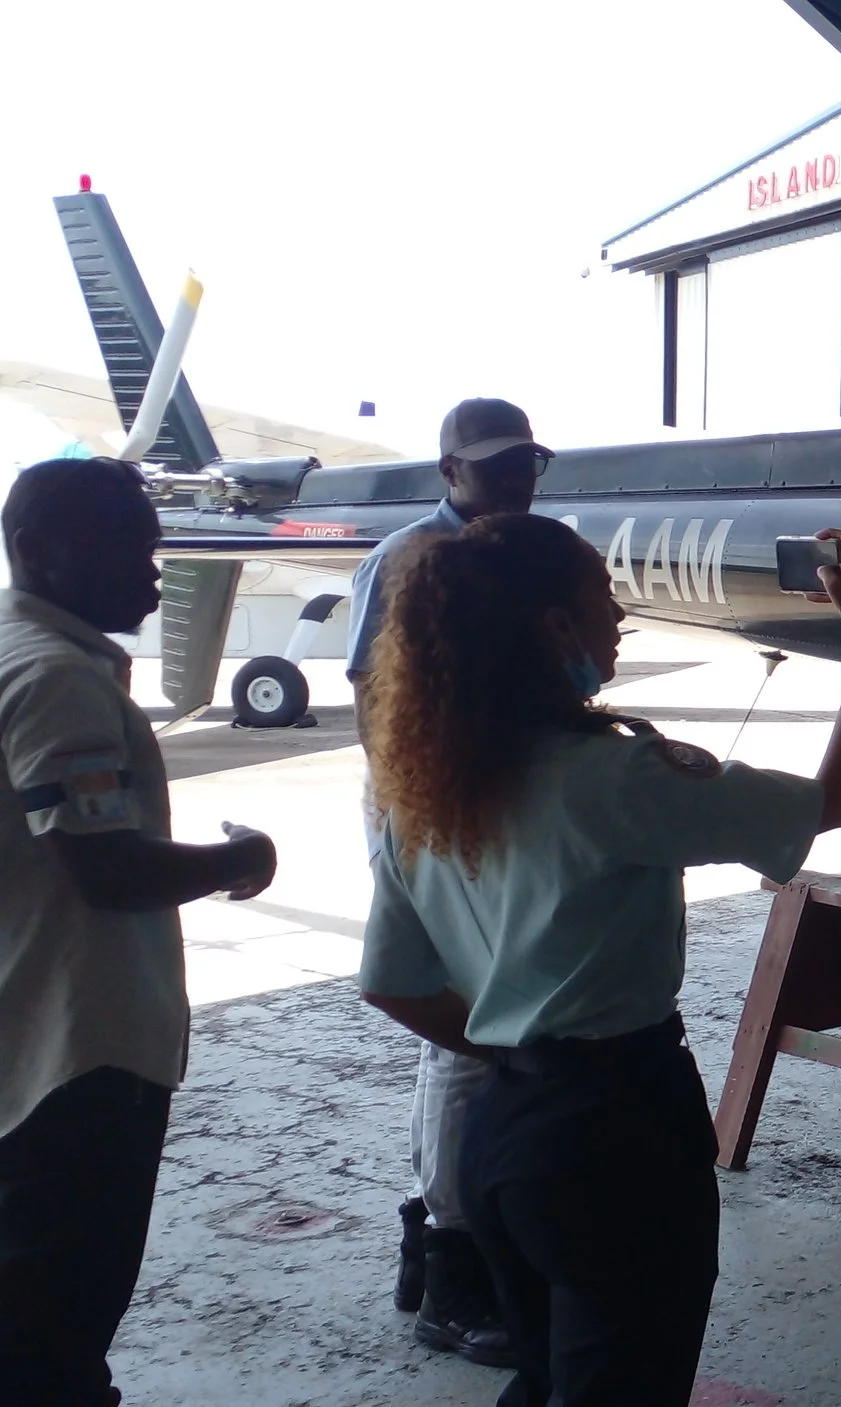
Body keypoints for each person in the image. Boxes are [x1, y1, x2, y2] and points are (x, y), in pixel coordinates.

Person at [354, 512, 841, 1407]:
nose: (618, 618)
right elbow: (831, 802)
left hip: (505, 1131)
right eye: (602, 598)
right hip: (618, 1135)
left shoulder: (427, 790)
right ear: (554, 626)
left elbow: (390, 981)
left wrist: (518, 1052)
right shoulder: (614, 778)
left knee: (552, 1374)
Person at [0, 457, 279, 1406]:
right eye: (128, 547)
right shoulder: (56, 682)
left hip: (25, 1030)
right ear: (40, 552)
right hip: (82, 1053)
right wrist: (239, 858)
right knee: (60, 1318)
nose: (154, 572)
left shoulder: (15, 648)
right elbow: (107, 868)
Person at [345, 397, 552, 1366]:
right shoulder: (408, 561)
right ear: (448, 472)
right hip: (431, 808)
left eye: (527, 465)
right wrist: (408, 822)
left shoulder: (528, 548)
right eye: (495, 468)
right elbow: (374, 698)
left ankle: (455, 1242)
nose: (516, 482)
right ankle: (450, 1262)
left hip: (507, 804)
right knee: (463, 1027)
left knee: (498, 1018)